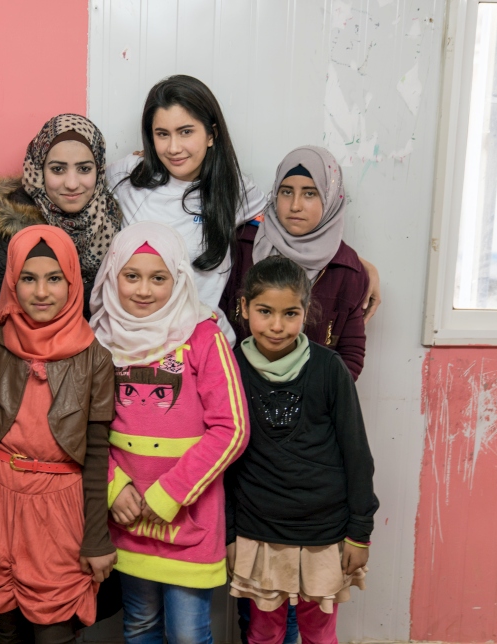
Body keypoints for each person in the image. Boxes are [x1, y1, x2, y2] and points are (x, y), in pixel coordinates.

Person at [0, 225, 117, 643]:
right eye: (28, 278)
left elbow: (97, 455)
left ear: (73, 282)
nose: (41, 291)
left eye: (54, 278)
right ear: (12, 283)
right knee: (0, 626)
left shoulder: (94, 357)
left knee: (53, 628)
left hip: (59, 507)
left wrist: (96, 538)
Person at [90, 221, 249, 643]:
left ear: (177, 280)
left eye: (158, 278)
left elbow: (231, 429)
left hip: (187, 519)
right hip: (126, 518)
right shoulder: (98, 340)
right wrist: (112, 487)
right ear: (112, 276)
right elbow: (84, 430)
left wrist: (170, 493)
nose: (144, 290)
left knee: (188, 634)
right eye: (132, 276)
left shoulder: (203, 335)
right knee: (139, 624)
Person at [225, 256, 379, 644]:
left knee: (318, 633)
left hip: (325, 531)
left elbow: (357, 454)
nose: (277, 326)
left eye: (290, 313)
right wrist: (227, 533)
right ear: (243, 308)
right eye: (264, 311)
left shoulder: (329, 368)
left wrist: (360, 533)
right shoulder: (229, 367)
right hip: (258, 530)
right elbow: (222, 462)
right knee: (263, 633)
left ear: (306, 312)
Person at [106, 75, 267, 343]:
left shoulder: (233, 189)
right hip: (134, 346)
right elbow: (70, 190)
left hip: (204, 346)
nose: (173, 148)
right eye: (162, 134)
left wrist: (355, 262)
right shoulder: (128, 176)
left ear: (211, 135)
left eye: (186, 132)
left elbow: (295, 222)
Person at [221, 146, 369, 380]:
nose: (295, 205)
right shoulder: (242, 246)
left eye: (310, 193)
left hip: (311, 406)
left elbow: (350, 355)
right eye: (286, 192)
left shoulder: (348, 271)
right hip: (238, 395)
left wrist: (318, 401)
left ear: (330, 197)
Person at [0, 114, 122, 315]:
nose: (72, 184)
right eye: (58, 169)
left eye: (84, 169)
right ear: (39, 170)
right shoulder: (11, 225)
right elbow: (1, 311)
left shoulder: (110, 219)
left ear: (98, 170)